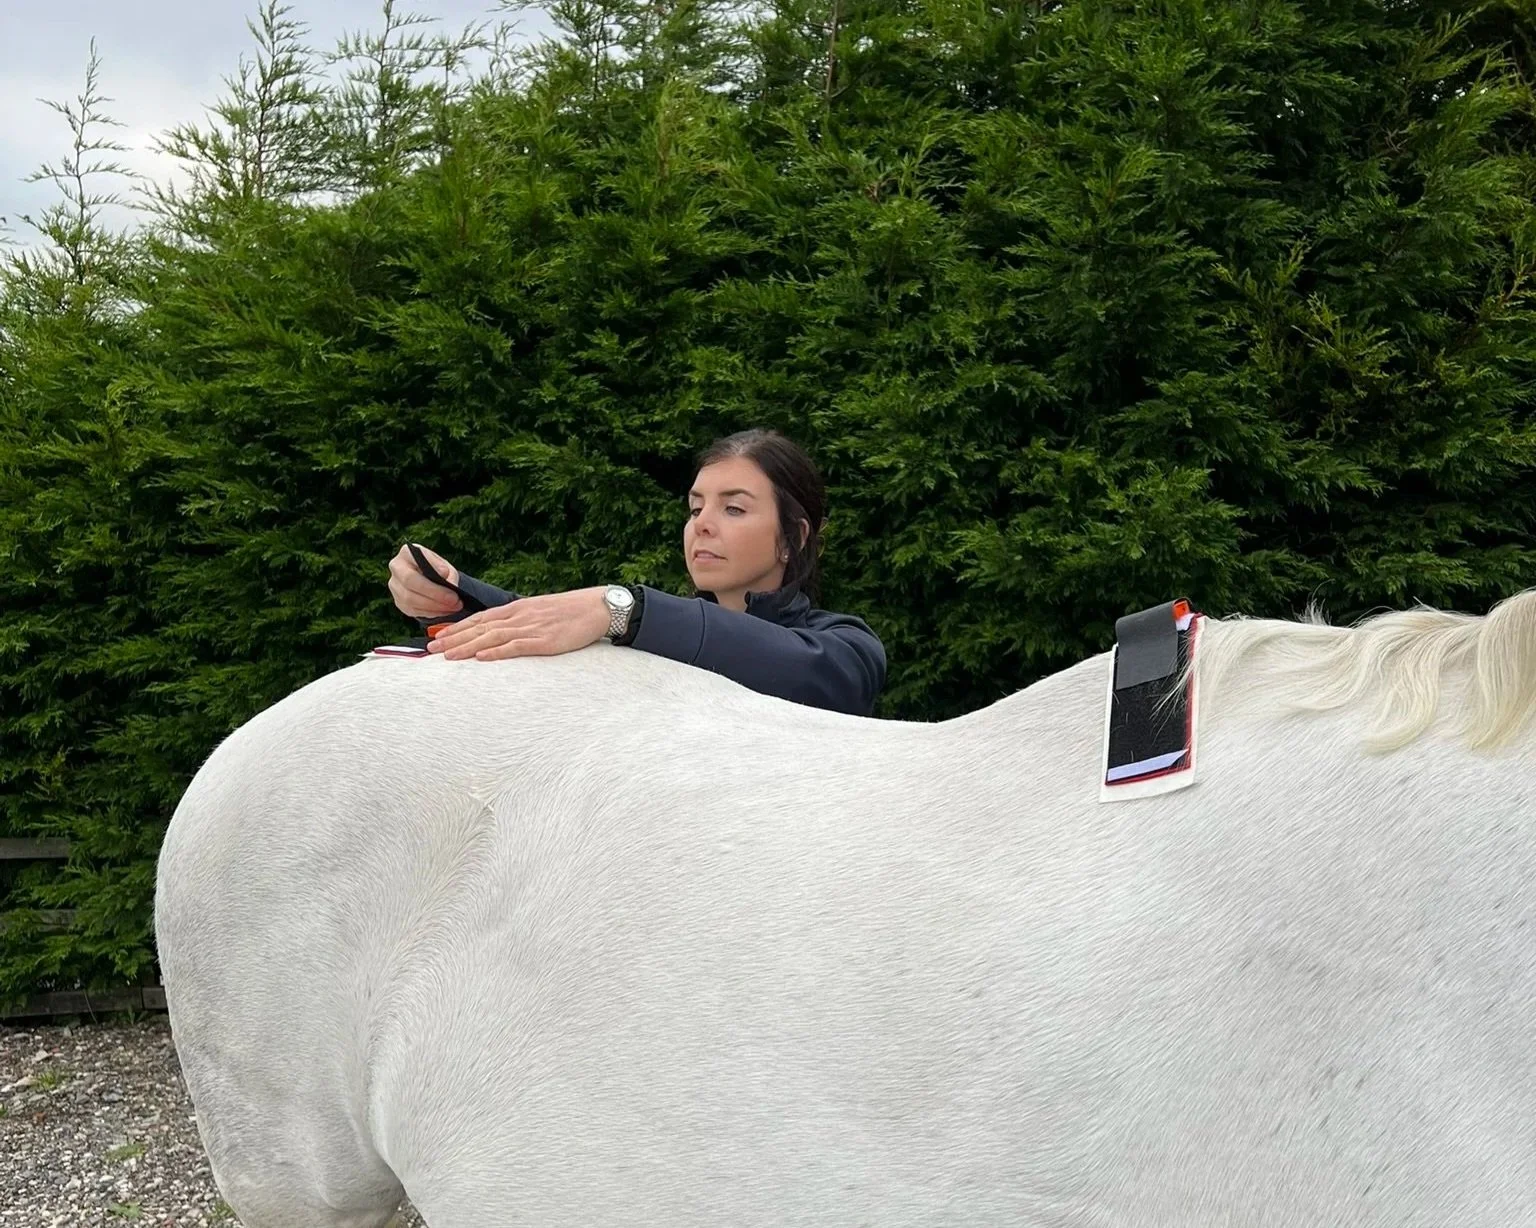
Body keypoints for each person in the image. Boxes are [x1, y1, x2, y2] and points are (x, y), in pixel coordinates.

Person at [385, 429, 887, 716]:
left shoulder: (847, 650)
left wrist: (621, 610)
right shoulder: (656, 631)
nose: (702, 527)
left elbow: (807, 671)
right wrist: (459, 595)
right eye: (695, 509)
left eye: (733, 509)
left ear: (794, 537)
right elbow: (565, 627)